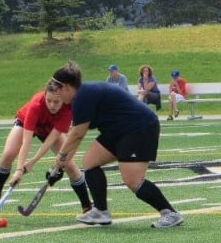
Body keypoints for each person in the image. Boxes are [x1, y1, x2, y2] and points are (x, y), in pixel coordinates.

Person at [47, 61, 184, 228]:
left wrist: (58, 163)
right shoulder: (81, 96)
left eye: (58, 90)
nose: (58, 96)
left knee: (132, 180)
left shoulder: (82, 97)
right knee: (90, 161)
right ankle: (100, 212)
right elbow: (75, 136)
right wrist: (60, 165)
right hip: (118, 129)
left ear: (67, 87)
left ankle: (170, 213)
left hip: (139, 127)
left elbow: (76, 135)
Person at [0, 86, 93, 214]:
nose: (52, 105)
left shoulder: (67, 110)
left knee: (69, 165)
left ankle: (87, 207)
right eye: (49, 100)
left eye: (56, 102)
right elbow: (27, 141)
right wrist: (19, 169)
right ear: (45, 97)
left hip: (50, 129)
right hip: (26, 123)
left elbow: (50, 140)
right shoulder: (36, 105)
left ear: (63, 100)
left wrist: (33, 162)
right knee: (8, 154)